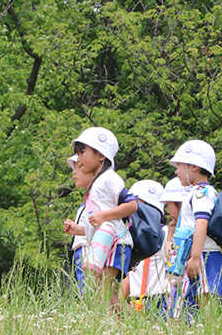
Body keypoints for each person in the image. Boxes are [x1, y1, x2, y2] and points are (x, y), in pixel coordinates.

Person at [64, 127, 139, 310]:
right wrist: (79, 230)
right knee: (105, 292)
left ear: (101, 156)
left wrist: (104, 216)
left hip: (116, 242)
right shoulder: (96, 185)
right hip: (104, 240)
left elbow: (132, 205)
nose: (79, 158)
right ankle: (127, 322)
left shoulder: (109, 179)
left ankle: (112, 324)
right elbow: (97, 224)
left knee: (103, 291)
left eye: (82, 152)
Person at [168, 140, 222, 311]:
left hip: (205, 256)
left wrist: (195, 257)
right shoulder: (195, 191)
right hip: (197, 255)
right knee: (188, 302)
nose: (176, 171)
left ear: (193, 166)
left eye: (179, 166)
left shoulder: (202, 192)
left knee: (206, 301)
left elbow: (201, 222)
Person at [120, 179, 169, 311]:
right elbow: (129, 273)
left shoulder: (165, 234)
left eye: (137, 203)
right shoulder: (130, 236)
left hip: (159, 298)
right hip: (136, 301)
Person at [63, 154, 97, 291]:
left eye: (79, 167)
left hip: (88, 249)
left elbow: (103, 227)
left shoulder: (97, 197)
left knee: (89, 291)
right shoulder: (87, 198)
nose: (74, 172)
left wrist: (79, 230)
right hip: (81, 250)